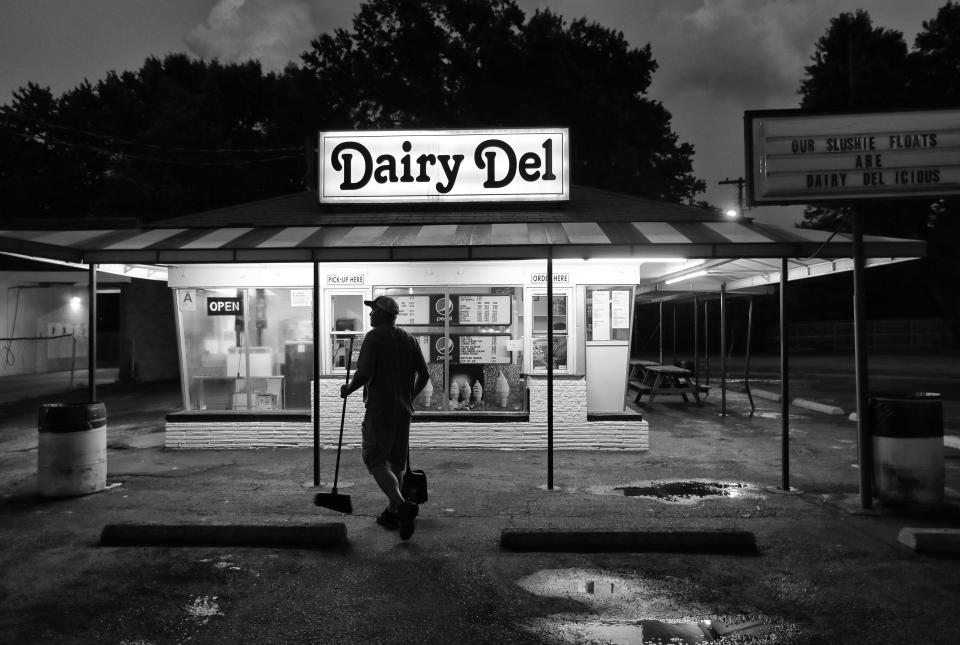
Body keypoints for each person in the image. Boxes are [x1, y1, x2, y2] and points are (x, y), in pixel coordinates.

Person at [341, 295, 430, 540]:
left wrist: (348, 389)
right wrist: (409, 397)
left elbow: (364, 372)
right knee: (396, 464)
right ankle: (392, 514)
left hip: (381, 411)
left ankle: (402, 507)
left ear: (382, 314)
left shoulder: (374, 337)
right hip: (403, 412)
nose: (369, 315)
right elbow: (424, 375)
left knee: (375, 460)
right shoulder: (409, 339)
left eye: (373, 311)